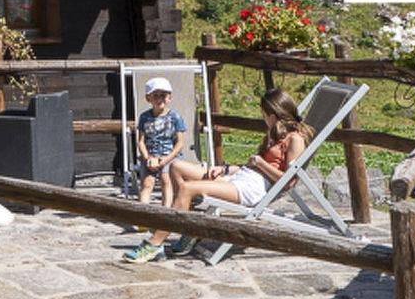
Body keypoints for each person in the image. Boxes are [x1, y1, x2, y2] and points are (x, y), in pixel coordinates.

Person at [125, 87, 312, 262]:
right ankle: (190, 229)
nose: (263, 118)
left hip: (250, 188)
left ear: (273, 115)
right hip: (242, 177)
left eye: (264, 114)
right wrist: (225, 169)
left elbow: (289, 182)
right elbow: (253, 166)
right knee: (176, 167)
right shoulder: (277, 133)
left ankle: (155, 243)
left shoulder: (295, 139)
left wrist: (260, 163)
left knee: (187, 189)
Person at [132, 76, 188, 207]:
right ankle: (143, 213)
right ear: (148, 98)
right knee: (147, 183)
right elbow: (141, 141)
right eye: (155, 95)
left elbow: (180, 142)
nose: (159, 99)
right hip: (150, 156)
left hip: (170, 156)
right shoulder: (144, 117)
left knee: (166, 180)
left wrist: (166, 159)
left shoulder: (175, 117)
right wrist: (147, 158)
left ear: (169, 97)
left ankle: (165, 212)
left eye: (163, 95)